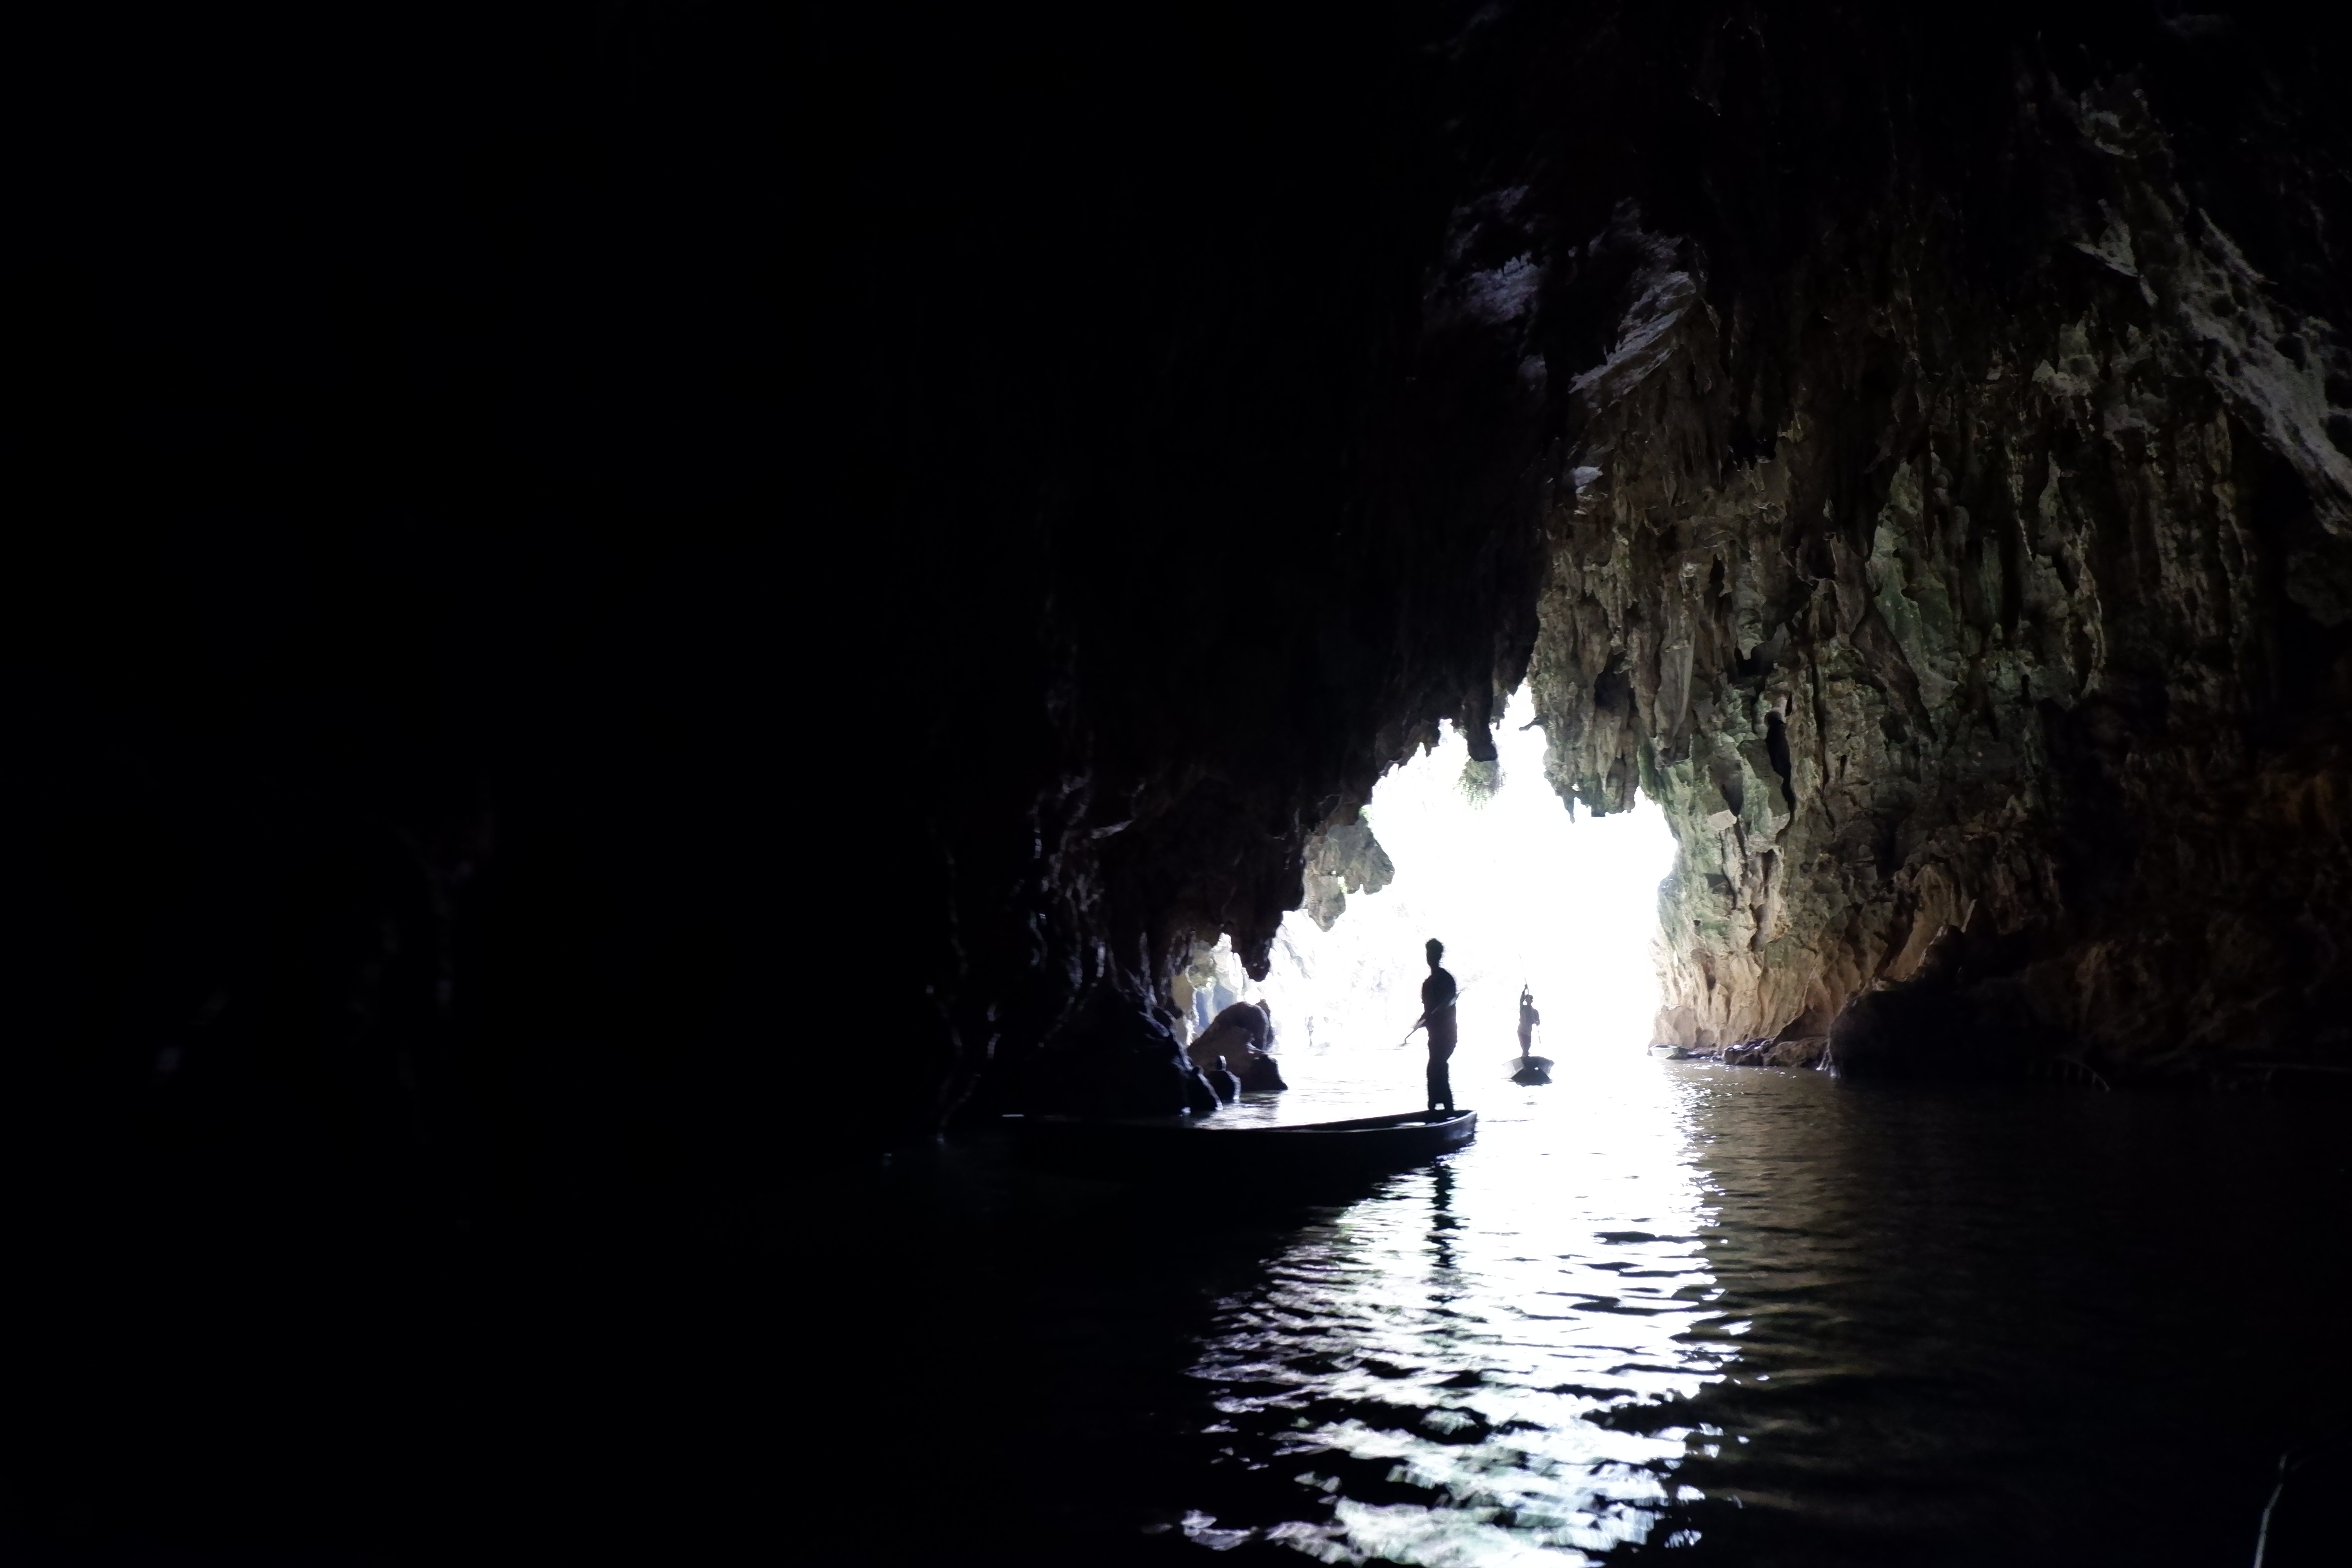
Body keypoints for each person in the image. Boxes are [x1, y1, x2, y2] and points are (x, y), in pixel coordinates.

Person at [1421, 938, 1458, 1112]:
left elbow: (1448, 1003)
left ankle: (1442, 1109)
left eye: (1433, 954)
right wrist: (1424, 1020)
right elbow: (1428, 1011)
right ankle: (1439, 1109)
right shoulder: (1428, 983)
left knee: (1436, 1068)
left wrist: (1435, 1014)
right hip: (1434, 1036)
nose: (1430, 957)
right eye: (1429, 953)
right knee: (1436, 1069)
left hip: (1447, 1035)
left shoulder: (1446, 979)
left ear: (1439, 956)